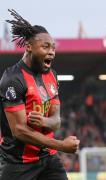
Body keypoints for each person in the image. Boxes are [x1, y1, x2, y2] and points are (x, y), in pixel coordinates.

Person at [0, 9, 80, 180]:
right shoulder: (13, 79)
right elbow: (19, 131)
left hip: (48, 158)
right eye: (45, 46)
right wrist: (61, 146)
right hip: (18, 163)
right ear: (28, 47)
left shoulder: (52, 75)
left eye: (53, 47)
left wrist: (45, 121)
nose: (52, 52)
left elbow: (56, 121)